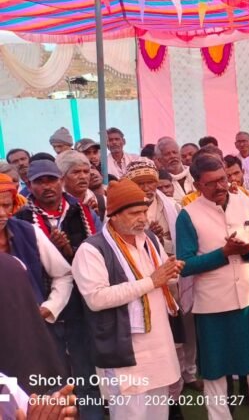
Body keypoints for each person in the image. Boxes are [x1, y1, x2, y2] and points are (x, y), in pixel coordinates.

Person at [175, 154, 249, 419]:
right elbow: (185, 264)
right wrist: (223, 253)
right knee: (215, 373)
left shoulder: (244, 201)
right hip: (212, 307)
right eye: (211, 183)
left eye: (223, 179)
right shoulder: (188, 215)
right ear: (197, 185)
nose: (220, 186)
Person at [72, 179, 183, 419]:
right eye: (134, 213)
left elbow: (163, 278)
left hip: (159, 344)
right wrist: (151, 281)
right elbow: (96, 299)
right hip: (124, 350)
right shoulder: (91, 249)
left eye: (144, 211)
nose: (143, 218)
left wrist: (172, 272)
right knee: (130, 413)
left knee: (158, 413)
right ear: (113, 215)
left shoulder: (149, 239)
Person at [14, 160, 103, 419]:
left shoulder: (83, 212)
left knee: (85, 370)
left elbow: (99, 253)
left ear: (61, 181)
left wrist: (69, 250)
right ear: (29, 185)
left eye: (51, 180)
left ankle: (91, 415)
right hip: (42, 308)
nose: (47, 186)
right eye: (39, 182)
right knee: (50, 373)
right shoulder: (21, 220)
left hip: (81, 305)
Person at [125, 159, 201, 397]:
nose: (147, 188)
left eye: (150, 182)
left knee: (184, 333)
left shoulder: (172, 206)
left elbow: (182, 242)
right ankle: (163, 387)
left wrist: (161, 241)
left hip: (175, 276)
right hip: (143, 281)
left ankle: (187, 374)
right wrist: (148, 237)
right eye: (141, 183)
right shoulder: (123, 210)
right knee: (157, 336)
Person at [0, 173, 73, 330]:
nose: (2, 213)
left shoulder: (29, 232)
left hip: (31, 328)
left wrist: (49, 307)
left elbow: (64, 274)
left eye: (6, 206)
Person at [0, 253, 69, 398]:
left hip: (13, 376)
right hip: (31, 370)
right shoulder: (14, 263)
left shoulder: (14, 262)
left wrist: (50, 307)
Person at [156, 137, 195, 203]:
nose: (172, 156)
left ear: (180, 155)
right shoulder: (159, 181)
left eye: (175, 152)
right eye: (167, 154)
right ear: (160, 160)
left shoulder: (195, 173)